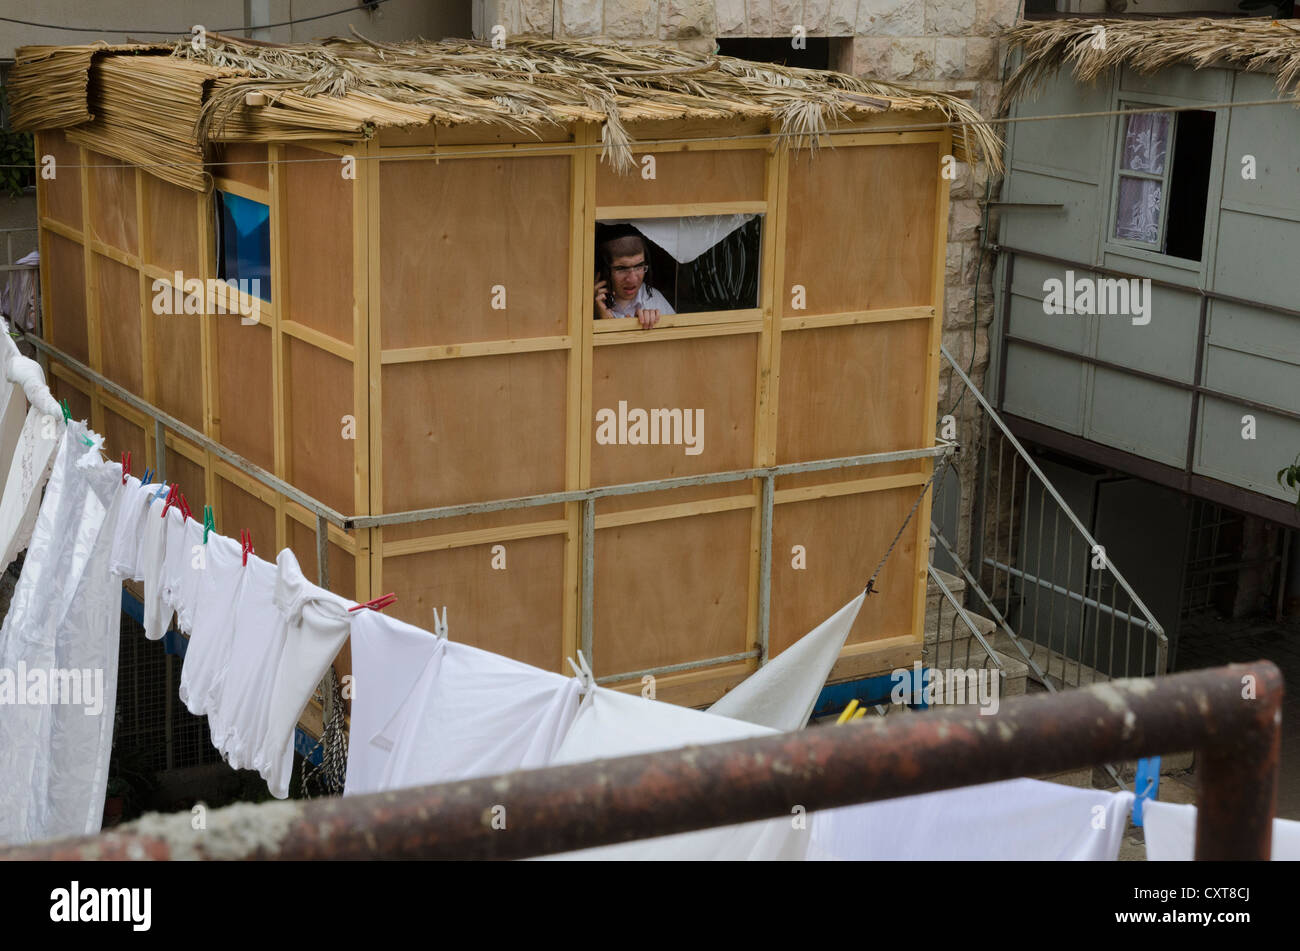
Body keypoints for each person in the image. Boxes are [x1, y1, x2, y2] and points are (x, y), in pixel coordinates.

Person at [594, 230, 674, 329]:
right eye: (621, 268)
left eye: (639, 266)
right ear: (604, 271)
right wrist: (600, 321)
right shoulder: (589, 306)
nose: (632, 279)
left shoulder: (654, 299)